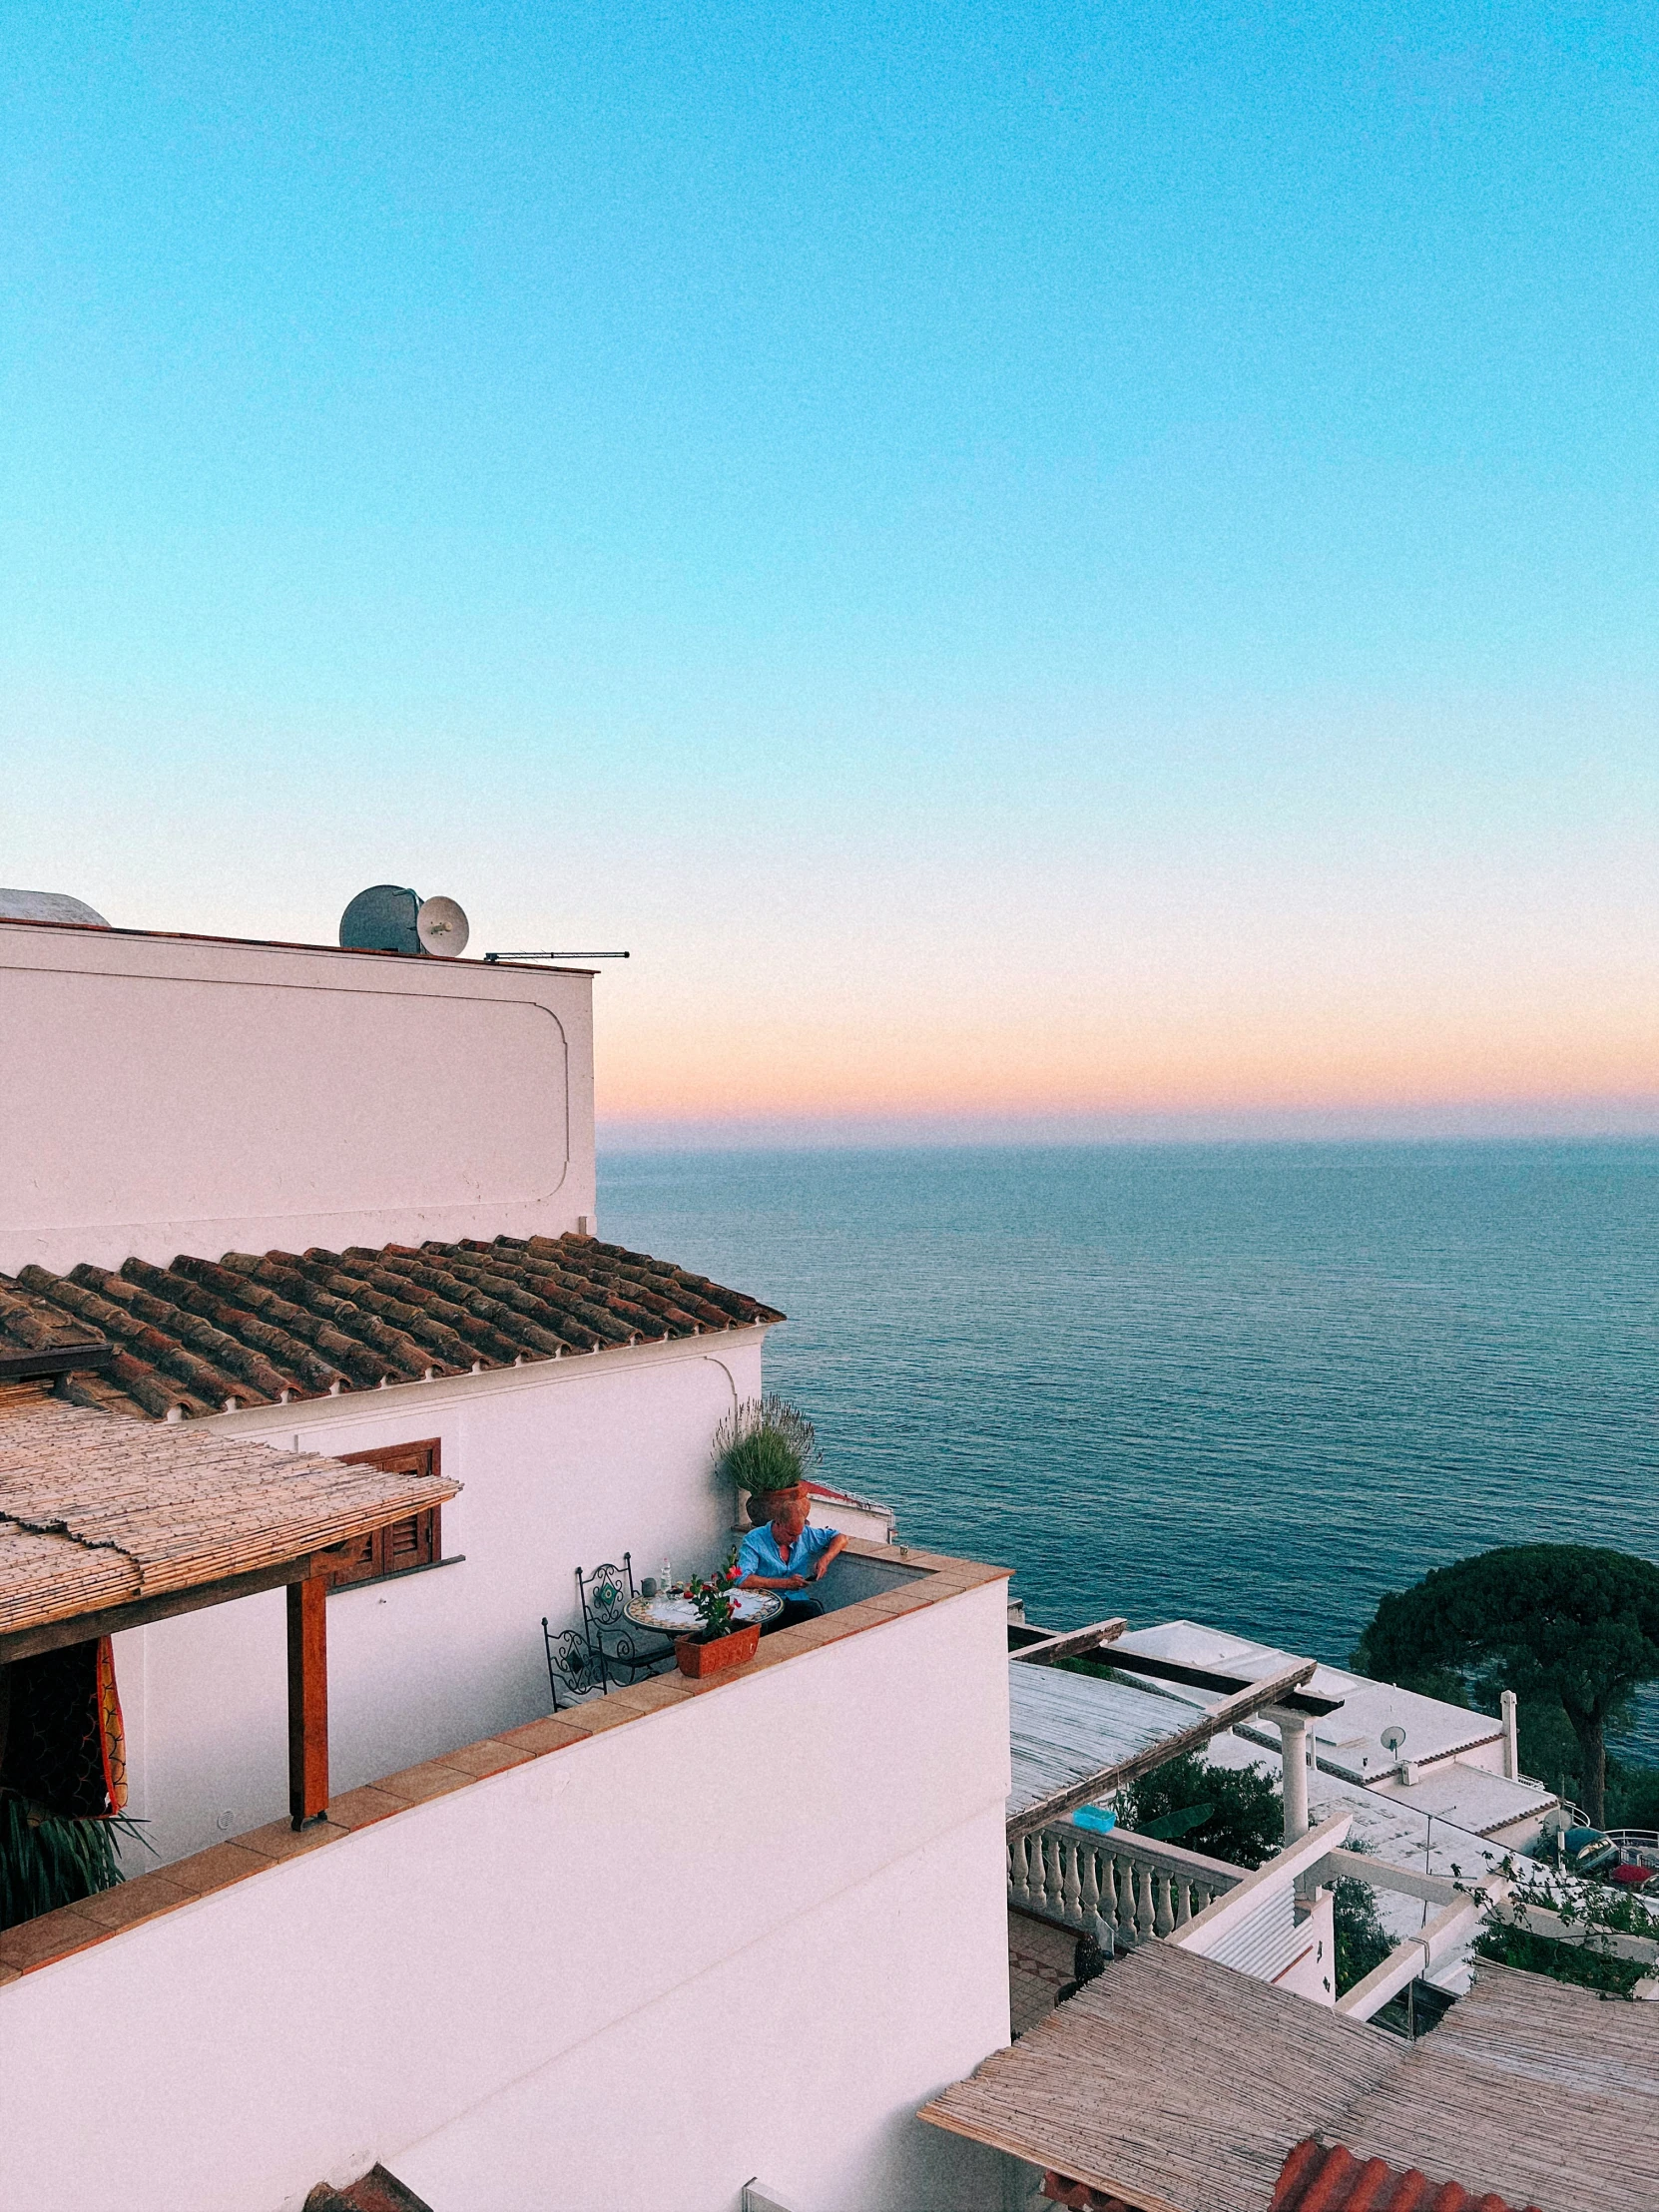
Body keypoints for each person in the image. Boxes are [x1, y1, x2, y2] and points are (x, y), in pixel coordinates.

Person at [736, 1491, 847, 1630]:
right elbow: (742, 1580)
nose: (795, 1539)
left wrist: (825, 1559)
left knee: (814, 1611)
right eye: (791, 1534)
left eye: (798, 1534)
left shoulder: (804, 1534)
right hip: (765, 1605)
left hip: (795, 1601)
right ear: (777, 1524)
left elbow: (840, 1537)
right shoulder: (754, 1540)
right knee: (760, 1627)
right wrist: (785, 1583)